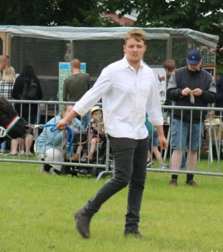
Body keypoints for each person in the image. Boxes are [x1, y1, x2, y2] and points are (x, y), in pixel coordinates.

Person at [57, 28, 167, 238]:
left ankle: (131, 229)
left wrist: (161, 134)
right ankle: (85, 212)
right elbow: (91, 96)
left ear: (144, 48)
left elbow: (153, 106)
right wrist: (67, 118)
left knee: (138, 181)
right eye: (131, 46)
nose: (135, 50)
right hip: (119, 130)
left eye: (139, 46)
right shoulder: (113, 71)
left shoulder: (148, 74)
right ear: (124, 48)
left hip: (140, 132)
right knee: (122, 178)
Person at [166, 50, 216, 187]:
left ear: (201, 61)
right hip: (179, 117)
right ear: (187, 61)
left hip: (198, 118)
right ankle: (174, 178)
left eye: (195, 63)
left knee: (194, 149)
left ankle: (190, 178)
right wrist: (180, 92)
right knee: (178, 147)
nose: (193, 66)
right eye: (191, 63)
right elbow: (169, 93)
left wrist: (203, 93)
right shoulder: (177, 74)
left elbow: (213, 96)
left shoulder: (208, 77)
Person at [37, 104, 83, 174]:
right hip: (47, 145)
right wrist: (65, 131)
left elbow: (83, 131)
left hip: (66, 147)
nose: (72, 114)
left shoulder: (76, 122)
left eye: (73, 112)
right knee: (55, 154)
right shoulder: (55, 121)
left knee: (77, 155)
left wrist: (78, 132)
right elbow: (54, 141)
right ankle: (47, 170)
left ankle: (62, 170)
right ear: (63, 112)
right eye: (69, 111)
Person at [12, 65, 44, 156]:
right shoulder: (36, 80)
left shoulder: (19, 80)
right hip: (32, 108)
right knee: (30, 129)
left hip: (19, 107)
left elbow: (14, 94)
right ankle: (27, 152)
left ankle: (14, 151)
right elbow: (40, 95)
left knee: (16, 127)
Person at [63, 58, 92, 128]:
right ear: (80, 67)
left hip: (72, 107)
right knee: (85, 127)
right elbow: (90, 91)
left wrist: (67, 107)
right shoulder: (86, 77)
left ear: (71, 67)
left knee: (74, 126)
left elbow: (64, 97)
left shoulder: (67, 80)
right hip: (84, 105)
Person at [0, 66, 19, 156]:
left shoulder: (1, 83)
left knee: (3, 127)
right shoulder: (15, 83)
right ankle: (13, 149)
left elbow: (0, 94)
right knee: (13, 127)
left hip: (3, 107)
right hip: (13, 107)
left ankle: (2, 148)